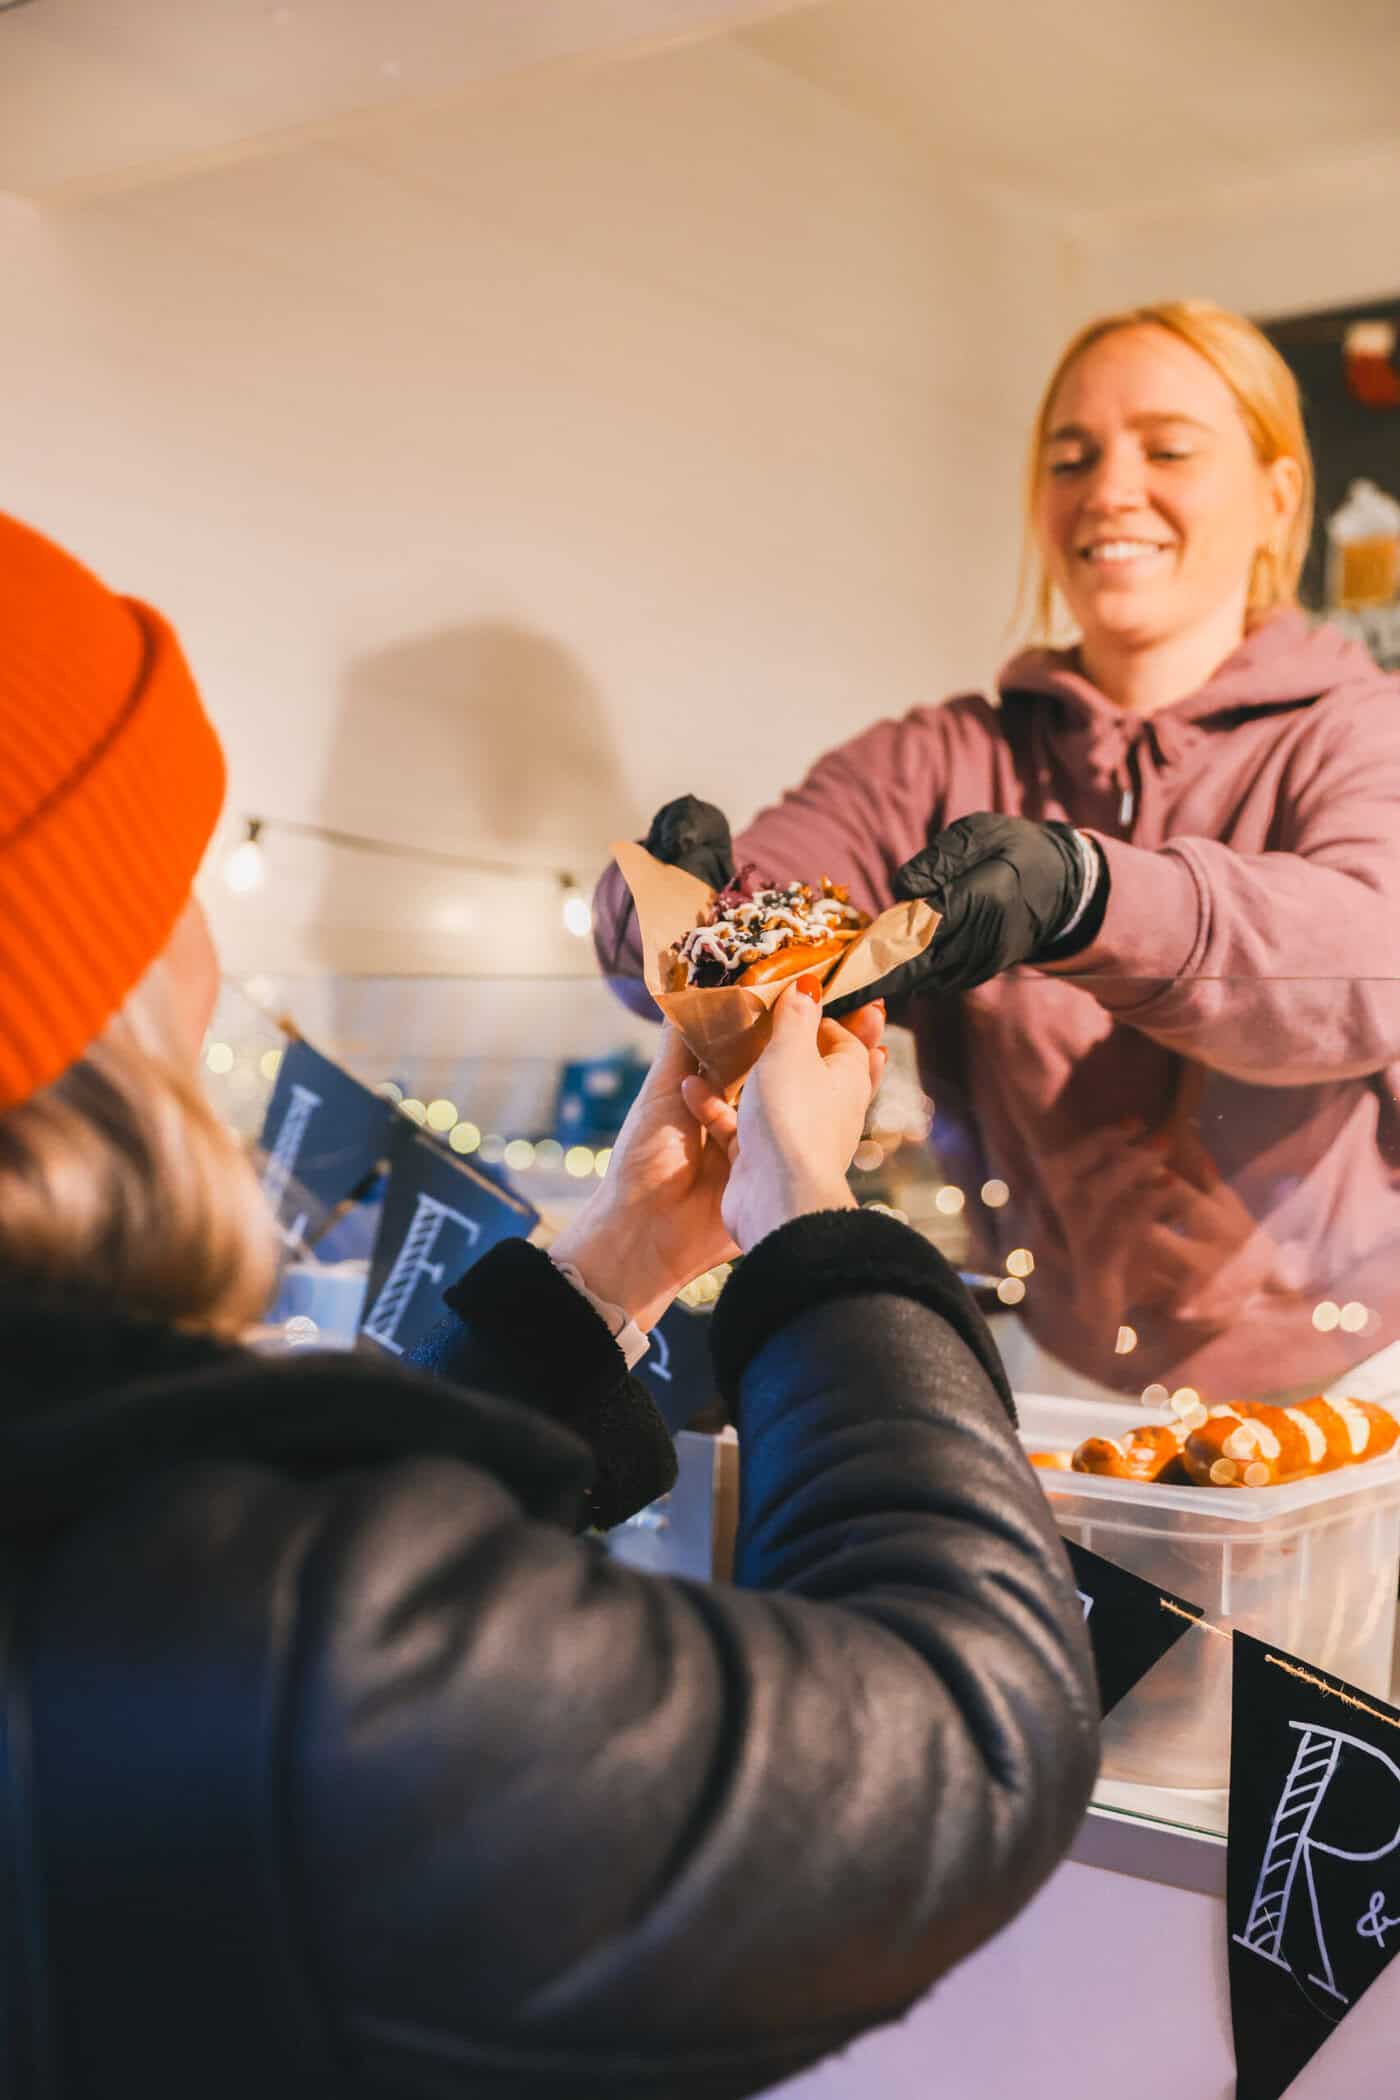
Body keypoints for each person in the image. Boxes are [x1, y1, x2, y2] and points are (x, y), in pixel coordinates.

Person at [0, 512, 1096, 2099]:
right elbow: (961, 1738)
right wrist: (822, 1234)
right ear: (79, 983)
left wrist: (604, 1276)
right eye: (170, 878)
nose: (206, 945)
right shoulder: (254, 1643)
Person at [597, 298, 1400, 1405]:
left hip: (1347, 1375)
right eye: (1071, 459)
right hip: (1046, 1362)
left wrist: (1088, 897)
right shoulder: (936, 758)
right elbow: (765, 901)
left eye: (1165, 449)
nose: (1109, 489)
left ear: (1276, 498)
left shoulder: (1363, 730)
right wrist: (671, 915)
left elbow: (1364, 967)